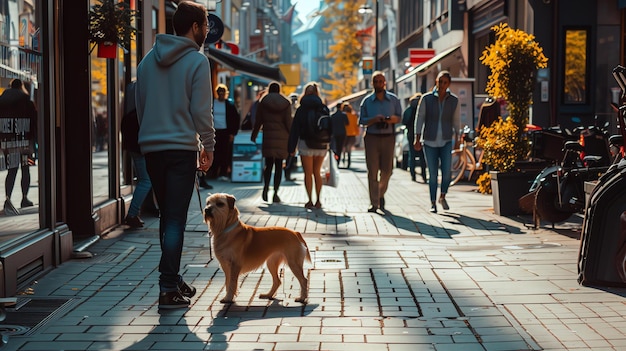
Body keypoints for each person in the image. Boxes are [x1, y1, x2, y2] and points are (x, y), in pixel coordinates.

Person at [135, 1, 215, 309]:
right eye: (205, 25)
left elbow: (140, 107)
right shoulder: (197, 62)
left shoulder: (145, 63)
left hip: (153, 148)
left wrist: (150, 137)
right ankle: (167, 286)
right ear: (194, 27)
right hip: (181, 148)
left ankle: (172, 277)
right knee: (175, 219)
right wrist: (208, 146)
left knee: (167, 217)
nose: (206, 31)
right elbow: (201, 111)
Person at [413, 70, 460, 213]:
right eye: (440, 81)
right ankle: (433, 202)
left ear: (449, 84)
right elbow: (419, 118)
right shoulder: (426, 99)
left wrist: (457, 138)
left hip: (446, 140)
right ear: (436, 81)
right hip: (429, 141)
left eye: (445, 82)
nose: (442, 85)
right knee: (432, 174)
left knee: (447, 173)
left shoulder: (454, 100)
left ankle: (443, 196)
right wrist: (417, 138)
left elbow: (456, 120)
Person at [359, 71, 402, 214]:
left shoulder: (394, 100)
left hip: (389, 137)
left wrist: (391, 119)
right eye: (376, 81)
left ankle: (380, 194)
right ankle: (374, 203)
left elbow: (399, 117)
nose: (378, 84)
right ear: (372, 83)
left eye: (381, 81)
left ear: (385, 83)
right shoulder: (366, 101)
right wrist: (374, 119)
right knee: (372, 171)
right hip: (371, 137)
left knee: (387, 171)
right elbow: (361, 121)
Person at [288, 82, 330, 209]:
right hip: (321, 145)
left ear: (305, 93)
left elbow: (294, 129)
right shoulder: (323, 108)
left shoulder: (301, 109)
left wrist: (291, 148)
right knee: (317, 172)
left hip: (305, 144)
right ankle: (318, 200)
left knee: (308, 173)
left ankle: (309, 201)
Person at [251, 82, 292, 203]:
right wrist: (293, 138)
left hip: (268, 136)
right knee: (279, 166)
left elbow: (258, 120)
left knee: (268, 165)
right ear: (279, 90)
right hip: (282, 138)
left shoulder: (263, 102)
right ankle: (275, 193)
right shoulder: (286, 103)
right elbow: (288, 122)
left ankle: (265, 187)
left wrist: (254, 135)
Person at [1, 78, 37, 215]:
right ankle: (24, 198)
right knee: (26, 168)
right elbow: (33, 122)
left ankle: (8, 199)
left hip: (8, 143)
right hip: (25, 143)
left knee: (11, 170)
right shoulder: (26, 100)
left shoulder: (2, 100)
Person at [121, 81, 152, 228]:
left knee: (144, 180)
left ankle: (134, 213)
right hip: (140, 148)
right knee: (145, 181)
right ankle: (132, 214)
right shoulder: (139, 116)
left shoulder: (131, 113)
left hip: (136, 147)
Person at [206, 83, 239, 181]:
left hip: (226, 132)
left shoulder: (229, 105)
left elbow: (235, 119)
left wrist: (233, 133)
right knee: (214, 152)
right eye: (219, 92)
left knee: (225, 153)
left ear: (225, 93)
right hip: (214, 131)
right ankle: (213, 173)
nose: (221, 94)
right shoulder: (212, 104)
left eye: (223, 92)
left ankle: (223, 173)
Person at [402, 92, 427, 183]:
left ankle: (413, 175)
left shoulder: (409, 109)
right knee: (422, 156)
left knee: (412, 155)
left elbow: (404, 121)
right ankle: (424, 176)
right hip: (422, 134)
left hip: (410, 134)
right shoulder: (423, 107)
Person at [341, 102, 359, 169]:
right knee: (349, 148)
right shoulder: (353, 116)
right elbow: (356, 125)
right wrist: (357, 133)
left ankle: (343, 158)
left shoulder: (343, 116)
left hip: (344, 134)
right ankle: (348, 160)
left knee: (343, 147)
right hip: (352, 134)